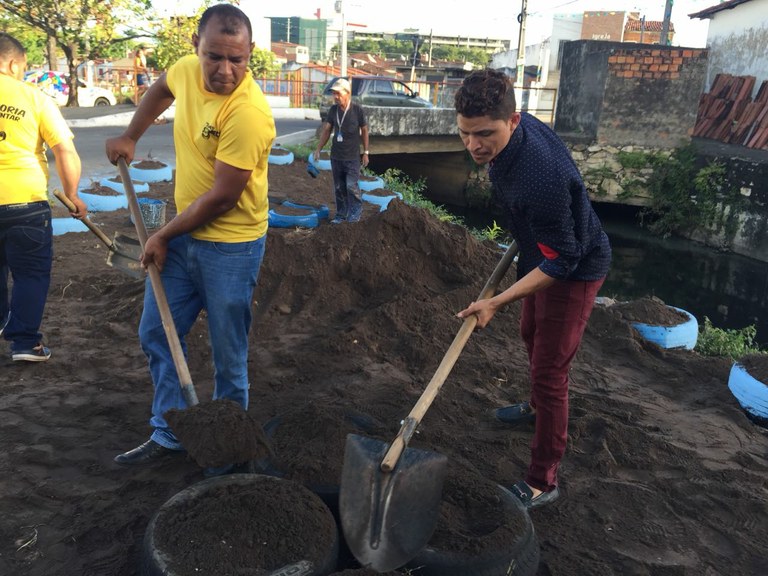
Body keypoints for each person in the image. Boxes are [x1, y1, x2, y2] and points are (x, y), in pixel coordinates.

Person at [105, 4, 276, 470]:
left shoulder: (249, 114)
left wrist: (161, 235)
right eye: (214, 57)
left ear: (250, 54)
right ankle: (169, 430)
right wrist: (130, 135)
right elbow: (162, 88)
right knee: (157, 334)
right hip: (183, 238)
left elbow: (222, 198)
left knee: (228, 355)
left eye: (237, 60)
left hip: (232, 247)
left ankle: (227, 450)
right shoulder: (184, 71)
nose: (225, 70)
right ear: (196, 48)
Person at [454, 69, 611, 509]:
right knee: (530, 334)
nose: (474, 146)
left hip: (574, 268)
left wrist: (496, 301)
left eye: (485, 134)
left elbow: (563, 259)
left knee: (550, 369)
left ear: (515, 121)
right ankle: (537, 407)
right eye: (465, 134)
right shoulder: (513, 141)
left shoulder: (539, 178)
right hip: (541, 253)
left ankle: (544, 479)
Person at [0, 32, 87, 362]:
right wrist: (72, 194)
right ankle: (24, 342)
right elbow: (64, 149)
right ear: (12, 63)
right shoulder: (34, 98)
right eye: (22, 66)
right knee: (30, 274)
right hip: (26, 204)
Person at [314, 78, 369, 223]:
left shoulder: (357, 110)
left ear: (347, 93)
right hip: (336, 156)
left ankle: (355, 213)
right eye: (334, 94)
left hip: (352, 157)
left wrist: (366, 152)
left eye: (338, 94)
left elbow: (364, 130)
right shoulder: (333, 110)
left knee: (351, 186)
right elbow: (326, 130)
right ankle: (341, 214)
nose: (336, 97)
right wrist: (318, 149)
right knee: (339, 187)